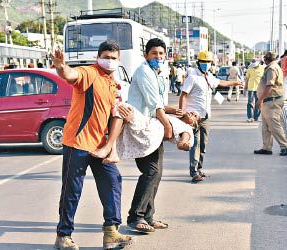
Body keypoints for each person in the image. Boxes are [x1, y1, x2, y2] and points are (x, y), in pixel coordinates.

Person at [50, 40, 133, 250]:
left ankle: (111, 232)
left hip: (99, 146)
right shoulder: (89, 73)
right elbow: (70, 75)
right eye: (106, 57)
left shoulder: (113, 83)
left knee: (113, 181)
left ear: (119, 60)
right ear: (98, 57)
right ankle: (63, 236)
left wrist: (110, 146)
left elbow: (117, 114)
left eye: (114, 58)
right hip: (76, 143)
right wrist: (60, 66)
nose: (110, 61)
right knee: (72, 191)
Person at [121, 38, 181, 233]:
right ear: (146, 55)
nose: (158, 57)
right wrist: (167, 124)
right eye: (154, 53)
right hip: (141, 128)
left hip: (153, 127)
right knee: (151, 171)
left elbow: (161, 104)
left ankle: (148, 216)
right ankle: (135, 216)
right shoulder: (144, 72)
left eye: (161, 54)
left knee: (157, 173)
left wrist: (175, 111)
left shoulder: (160, 73)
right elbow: (155, 104)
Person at [179, 50, 243, 182]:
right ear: (198, 63)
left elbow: (221, 83)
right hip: (194, 117)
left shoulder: (209, 77)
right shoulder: (192, 77)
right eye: (203, 62)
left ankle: (199, 168)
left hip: (206, 116)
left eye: (208, 62)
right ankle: (194, 171)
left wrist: (235, 83)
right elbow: (183, 95)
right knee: (195, 143)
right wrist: (182, 112)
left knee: (203, 144)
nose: (206, 64)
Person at [90, 103, 200, 163]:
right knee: (121, 117)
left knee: (123, 107)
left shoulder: (186, 129)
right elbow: (159, 106)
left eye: (195, 116)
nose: (191, 114)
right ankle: (112, 152)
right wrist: (173, 111)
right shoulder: (176, 120)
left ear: (193, 125)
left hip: (151, 131)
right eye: (191, 112)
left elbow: (182, 141)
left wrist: (184, 145)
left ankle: (109, 149)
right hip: (150, 135)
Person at [254, 51, 287, 156]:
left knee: (274, 125)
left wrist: (260, 100)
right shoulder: (272, 67)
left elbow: (270, 86)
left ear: (266, 59)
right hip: (268, 101)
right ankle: (266, 147)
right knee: (265, 126)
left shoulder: (271, 69)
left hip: (272, 100)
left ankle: (284, 146)